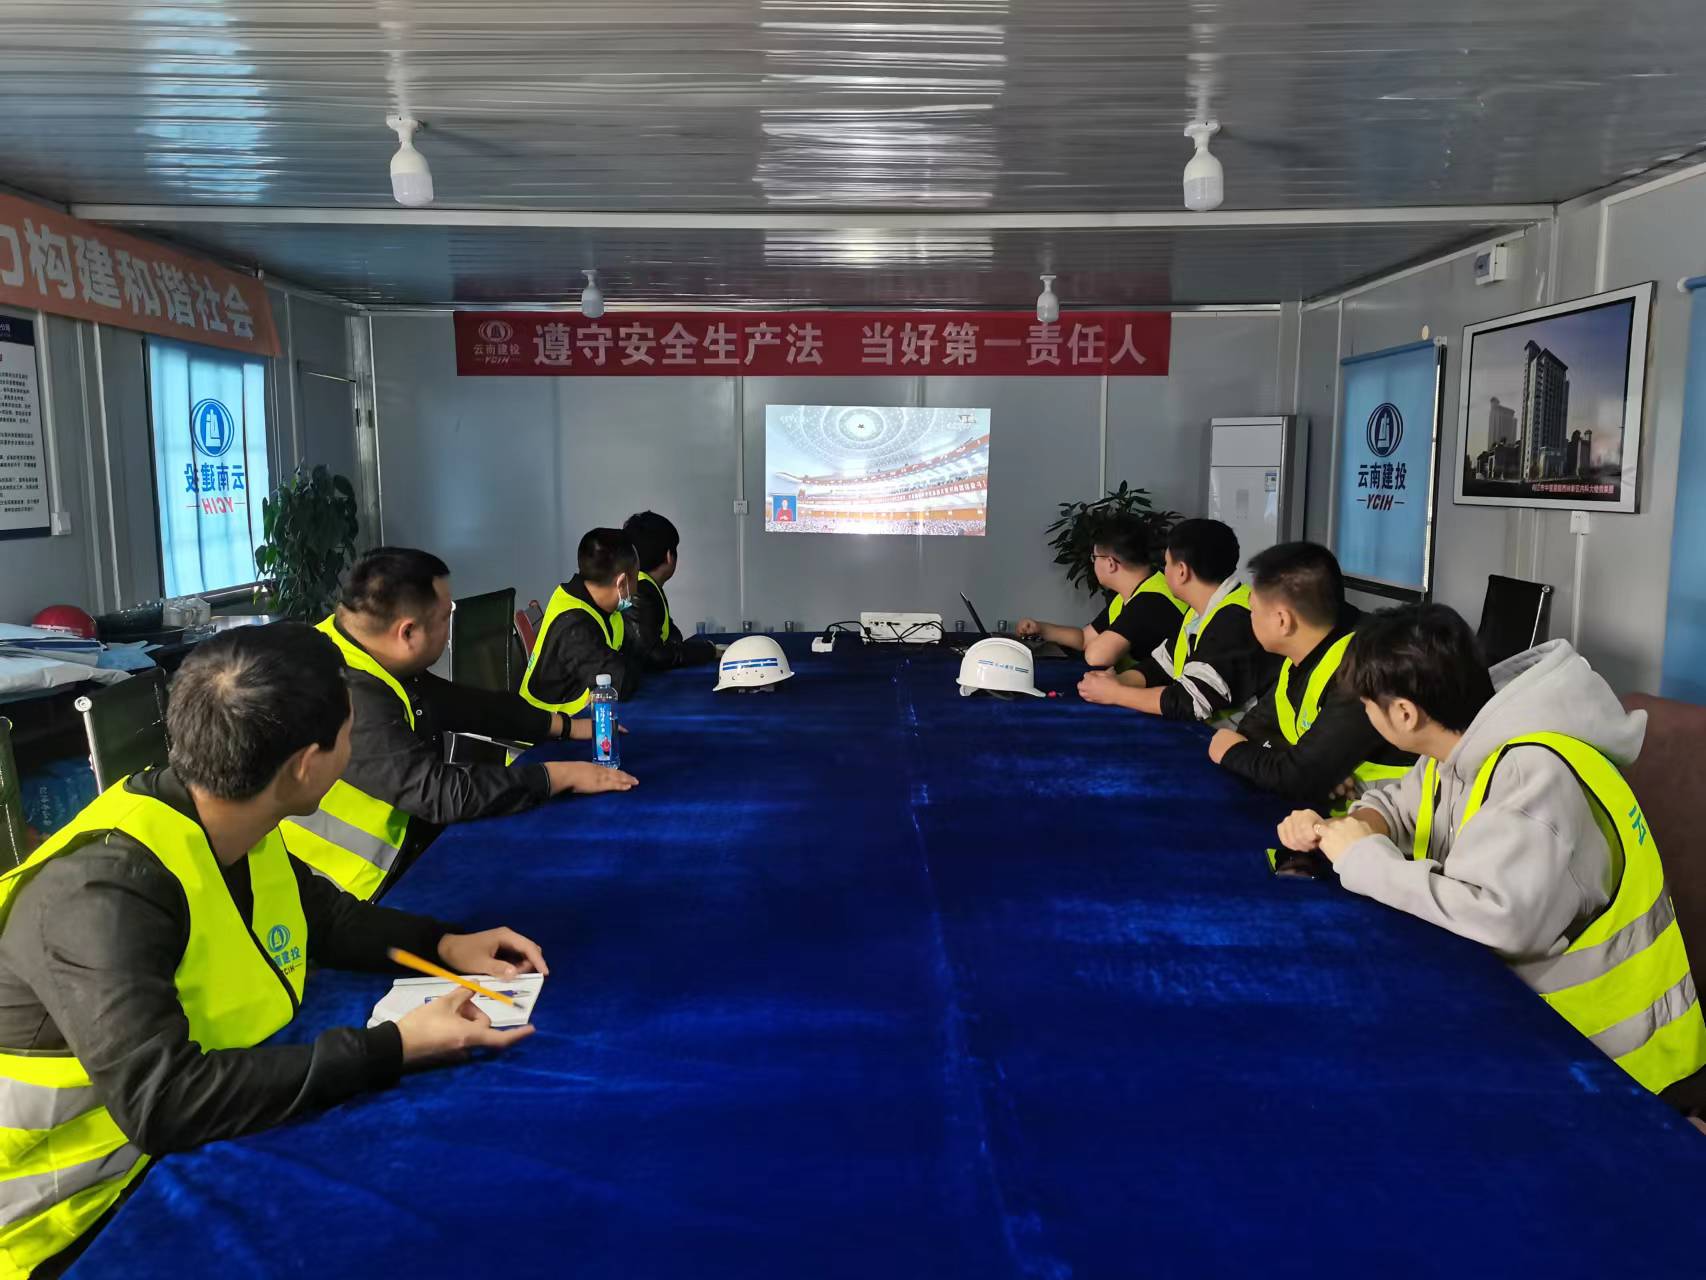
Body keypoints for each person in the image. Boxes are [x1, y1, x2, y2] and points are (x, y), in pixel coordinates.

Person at [0, 624, 550, 1278]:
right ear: (306, 766)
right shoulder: (101, 894)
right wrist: (393, 1048)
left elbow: (326, 918)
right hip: (62, 1230)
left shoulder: (227, 816)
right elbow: (165, 1100)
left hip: (152, 1171)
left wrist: (443, 942)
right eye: (350, 734)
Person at [1277, 605, 1706, 1104]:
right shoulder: (1461, 745)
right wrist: (1354, 827)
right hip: (1524, 1021)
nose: (1365, 715)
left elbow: (1500, 921)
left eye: (1368, 705)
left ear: (1404, 714)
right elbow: (1401, 803)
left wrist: (1363, 860)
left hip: (1609, 1060)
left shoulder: (1532, 774)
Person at [283, 547, 636, 901]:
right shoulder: (349, 694)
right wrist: (559, 776)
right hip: (353, 890)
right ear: (407, 633)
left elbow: (464, 705)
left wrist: (562, 726)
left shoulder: (359, 646)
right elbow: (437, 793)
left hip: (403, 854)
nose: (449, 627)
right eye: (445, 616)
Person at [1208, 542, 1414, 859]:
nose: (1249, 619)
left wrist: (1228, 749)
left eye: (1253, 610)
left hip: (1401, 843)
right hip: (1343, 825)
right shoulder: (1305, 652)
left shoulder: (1366, 666)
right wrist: (1310, 767)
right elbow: (1254, 730)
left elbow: (1294, 779)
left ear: (1282, 621)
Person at [1077, 517, 1276, 724]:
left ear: (1182, 571)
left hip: (1246, 736)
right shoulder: (1200, 611)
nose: (1164, 572)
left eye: (1166, 564)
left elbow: (1190, 701)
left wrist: (1116, 693)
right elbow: (1162, 665)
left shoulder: (1235, 618)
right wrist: (1117, 682)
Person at [1016, 513, 1186, 678]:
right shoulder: (1129, 595)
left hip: (1171, 694)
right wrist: (1041, 628)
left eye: (1095, 557)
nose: (1094, 563)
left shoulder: (1150, 601)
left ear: (1110, 563)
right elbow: (1085, 638)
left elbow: (1097, 656)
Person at [521, 529, 644, 717]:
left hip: (582, 720)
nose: (637, 588)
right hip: (548, 730)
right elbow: (620, 683)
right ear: (621, 583)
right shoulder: (574, 625)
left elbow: (634, 654)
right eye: (636, 578)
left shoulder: (602, 608)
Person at [621, 510, 718, 671]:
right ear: (669, 556)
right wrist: (709, 651)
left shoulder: (645, 586)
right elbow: (654, 656)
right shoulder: (640, 590)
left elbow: (672, 638)